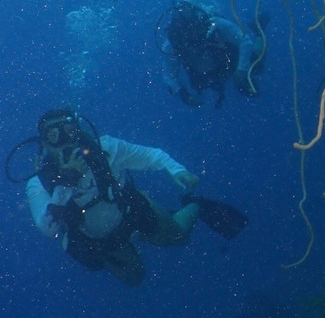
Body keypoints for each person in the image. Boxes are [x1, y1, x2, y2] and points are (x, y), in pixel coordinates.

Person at [24, 109, 203, 286]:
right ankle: (124, 249)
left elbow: (150, 156)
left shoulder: (107, 148)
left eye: (70, 131)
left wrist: (178, 170)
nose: (65, 141)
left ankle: (195, 204)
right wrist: (66, 182)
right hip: (97, 240)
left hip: (130, 212)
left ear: (78, 131)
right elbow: (48, 229)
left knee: (180, 236)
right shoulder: (38, 183)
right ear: (45, 144)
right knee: (134, 279)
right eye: (54, 135)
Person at [160, 0, 265, 107]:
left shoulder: (214, 24)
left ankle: (259, 30)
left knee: (257, 66)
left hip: (229, 61)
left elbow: (244, 40)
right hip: (206, 74)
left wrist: (241, 70)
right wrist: (184, 95)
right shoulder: (173, 43)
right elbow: (169, 74)